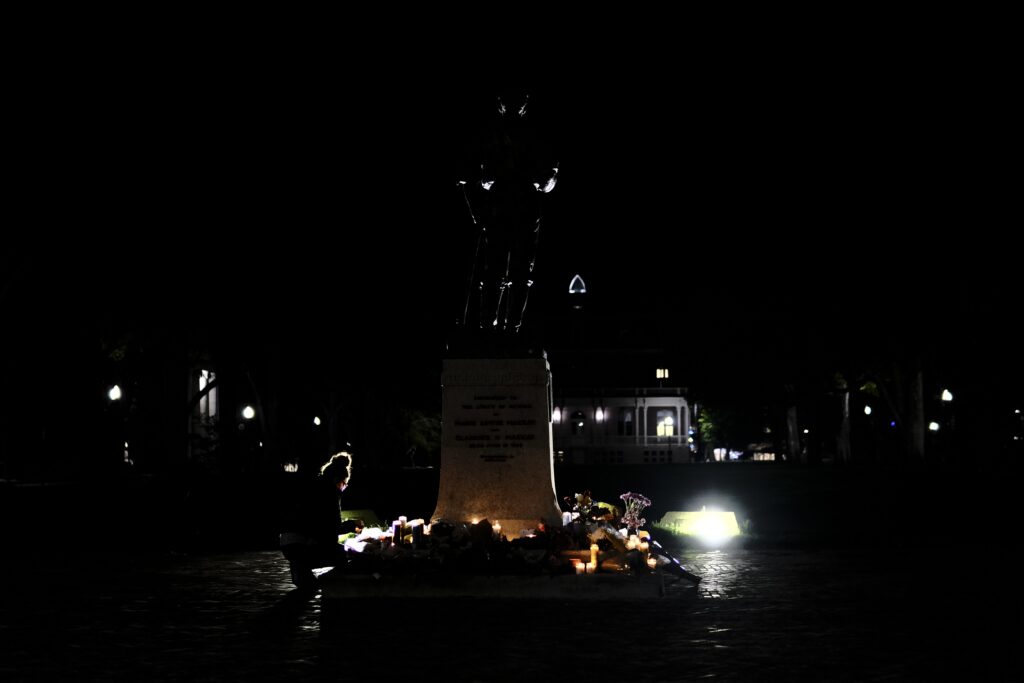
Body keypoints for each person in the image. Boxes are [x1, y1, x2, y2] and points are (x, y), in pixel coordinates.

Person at [458, 91, 559, 334]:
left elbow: (551, 174)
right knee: (494, 268)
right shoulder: (490, 133)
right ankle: (488, 327)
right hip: (499, 205)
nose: (512, 105)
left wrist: (538, 180)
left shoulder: (537, 134)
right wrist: (481, 181)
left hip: (524, 205)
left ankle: (512, 328)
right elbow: (470, 170)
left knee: (521, 270)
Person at [279, 451, 352, 590]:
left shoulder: (313, 485)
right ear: (337, 479)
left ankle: (300, 567)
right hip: (301, 543)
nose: (343, 488)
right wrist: (352, 525)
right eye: (344, 484)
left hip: (287, 542)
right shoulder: (330, 492)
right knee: (343, 553)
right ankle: (338, 588)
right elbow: (331, 528)